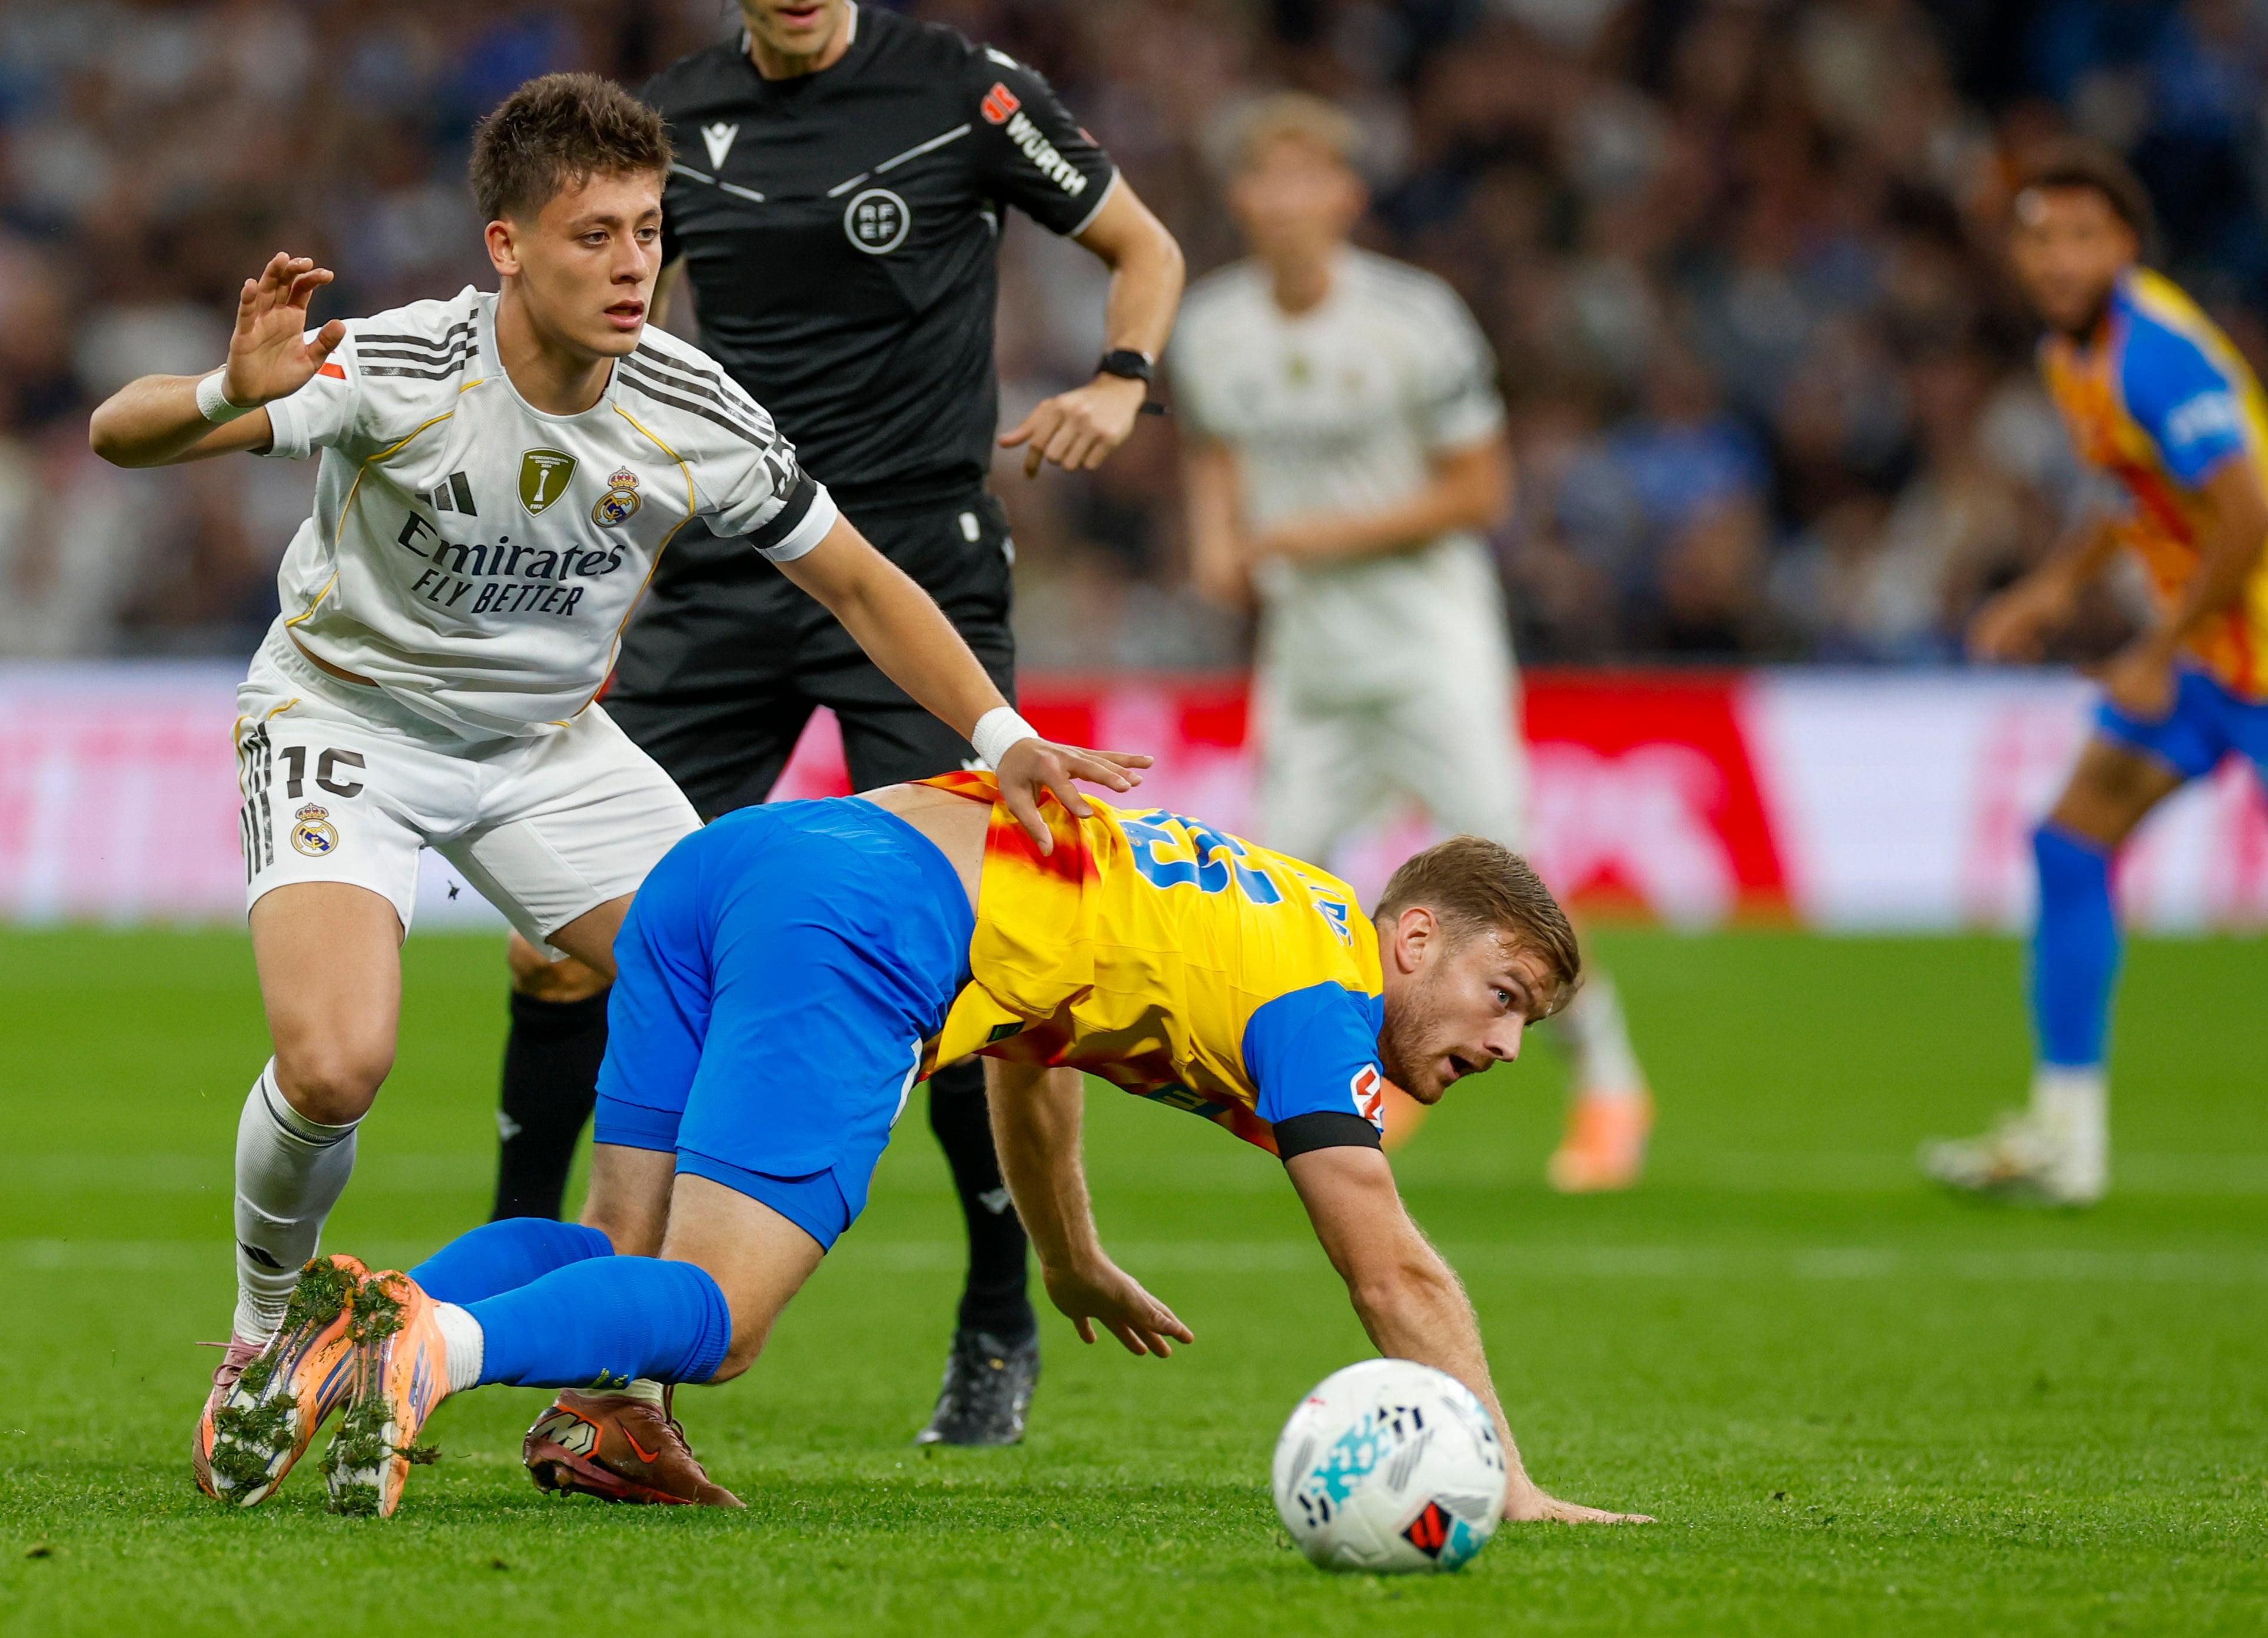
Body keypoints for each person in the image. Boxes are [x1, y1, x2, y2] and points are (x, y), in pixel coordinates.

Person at [84, 73, 1142, 1504]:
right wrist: (229, 391)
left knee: (730, 993)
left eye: (648, 229)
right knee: (335, 1064)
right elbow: (122, 431)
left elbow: (856, 580)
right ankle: (265, 1329)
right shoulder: (400, 364)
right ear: (507, 247)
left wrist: (1001, 730)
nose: (634, 263)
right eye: (594, 235)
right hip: (347, 715)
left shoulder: (689, 404)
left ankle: (610, 1401)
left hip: (544, 750)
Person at [205, 768, 1651, 1528]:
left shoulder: (1275, 917)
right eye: (1502, 995)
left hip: (739, 862)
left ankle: (373, 1338)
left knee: (615, 1247)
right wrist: (1501, 1479)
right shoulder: (1323, 997)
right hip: (866, 913)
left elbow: (1038, 1049)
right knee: (720, 1315)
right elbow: (1388, 1268)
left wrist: (1066, 1254)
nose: (1503, 1042)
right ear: (1415, 937)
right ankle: (437, 1345)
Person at [486, 0, 1187, 1448]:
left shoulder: (965, 94)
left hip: (913, 569)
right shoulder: (669, 122)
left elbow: (1145, 247)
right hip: (728, 561)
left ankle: (997, 1307)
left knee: (967, 957)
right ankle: (527, 1276)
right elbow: (601, 335)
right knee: (557, 947)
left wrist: (1120, 380)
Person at [1166, 94, 1654, 1191]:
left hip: (1429, 637)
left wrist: (1314, 533)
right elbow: (1212, 452)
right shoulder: (1212, 327)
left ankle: (1610, 1084)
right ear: (1241, 197)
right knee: (1283, 890)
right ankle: (1359, 1087)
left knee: (1514, 888)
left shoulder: (1414, 318)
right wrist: (1213, 541)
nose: (1286, 200)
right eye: (1266, 176)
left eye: (1309, 175)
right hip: (1310, 648)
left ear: (1346, 196)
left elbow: (1481, 490)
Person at [1923, 141, 2268, 1206]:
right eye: (2039, 237)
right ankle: (2065, 1140)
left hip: (2240, 654)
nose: (2059, 257)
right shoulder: (2072, 356)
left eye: (2083, 236)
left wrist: (2153, 651)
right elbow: (2132, 489)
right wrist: (2052, 587)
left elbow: (2249, 512)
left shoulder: (2154, 355)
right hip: (2214, 657)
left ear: (2124, 244)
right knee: (2069, 845)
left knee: (2069, 844)